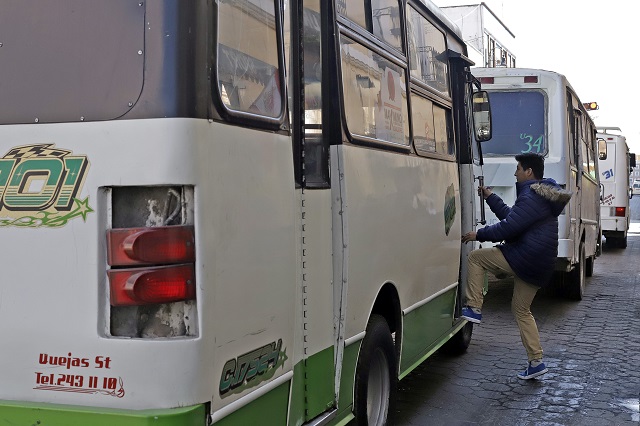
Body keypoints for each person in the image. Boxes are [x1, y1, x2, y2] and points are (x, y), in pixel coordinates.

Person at [460, 153, 572, 380]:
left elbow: (508, 228)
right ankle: (536, 361)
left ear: (529, 171)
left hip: (525, 258)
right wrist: (491, 197)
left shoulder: (531, 197)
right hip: (539, 264)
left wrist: (477, 234)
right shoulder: (540, 197)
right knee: (521, 310)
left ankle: (474, 307)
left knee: (476, 258)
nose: (515, 173)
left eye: (518, 168)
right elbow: (514, 217)